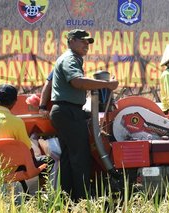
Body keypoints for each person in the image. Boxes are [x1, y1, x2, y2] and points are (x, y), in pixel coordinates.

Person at [50, 29, 119, 201]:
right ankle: (83, 200)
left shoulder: (72, 59)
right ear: (71, 41)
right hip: (68, 112)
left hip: (66, 112)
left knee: (68, 158)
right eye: (83, 41)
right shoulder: (70, 59)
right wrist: (106, 85)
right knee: (80, 157)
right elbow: (77, 82)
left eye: (88, 43)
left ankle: (68, 199)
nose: (86, 45)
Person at [0, 84, 52, 190]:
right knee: (48, 160)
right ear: (14, 102)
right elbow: (29, 152)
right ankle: (41, 195)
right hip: (11, 170)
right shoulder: (16, 122)